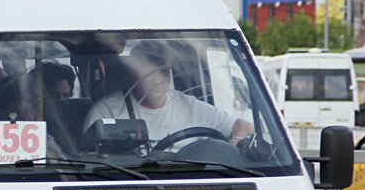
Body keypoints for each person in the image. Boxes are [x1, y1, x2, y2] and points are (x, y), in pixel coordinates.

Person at [83, 40, 254, 147]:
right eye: (149, 73)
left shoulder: (190, 106)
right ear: (134, 75)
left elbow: (245, 126)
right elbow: (90, 161)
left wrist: (236, 142)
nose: (157, 80)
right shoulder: (107, 113)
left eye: (163, 71)